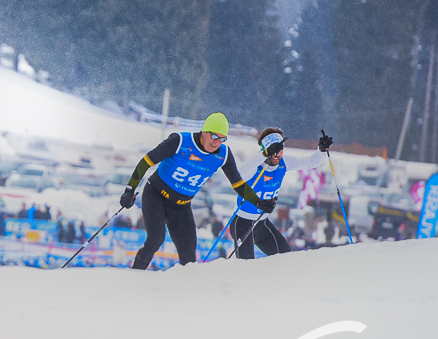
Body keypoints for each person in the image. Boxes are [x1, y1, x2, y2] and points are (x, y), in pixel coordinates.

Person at [119, 113, 273, 270]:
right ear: (204, 132)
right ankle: (135, 276)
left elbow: (238, 183)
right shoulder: (180, 141)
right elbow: (146, 161)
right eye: (214, 136)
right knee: (156, 239)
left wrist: (258, 202)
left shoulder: (223, 155)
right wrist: (129, 190)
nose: (217, 142)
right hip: (156, 196)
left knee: (189, 256)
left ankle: (186, 291)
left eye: (222, 139)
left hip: (181, 206)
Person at [229, 128, 333, 259]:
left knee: (285, 257)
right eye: (273, 150)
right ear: (265, 150)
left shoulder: (284, 163)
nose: (277, 154)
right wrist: (263, 155)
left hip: (261, 223)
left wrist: (322, 151)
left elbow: (311, 162)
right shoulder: (256, 165)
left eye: (280, 149)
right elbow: (238, 174)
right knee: (245, 264)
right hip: (242, 222)